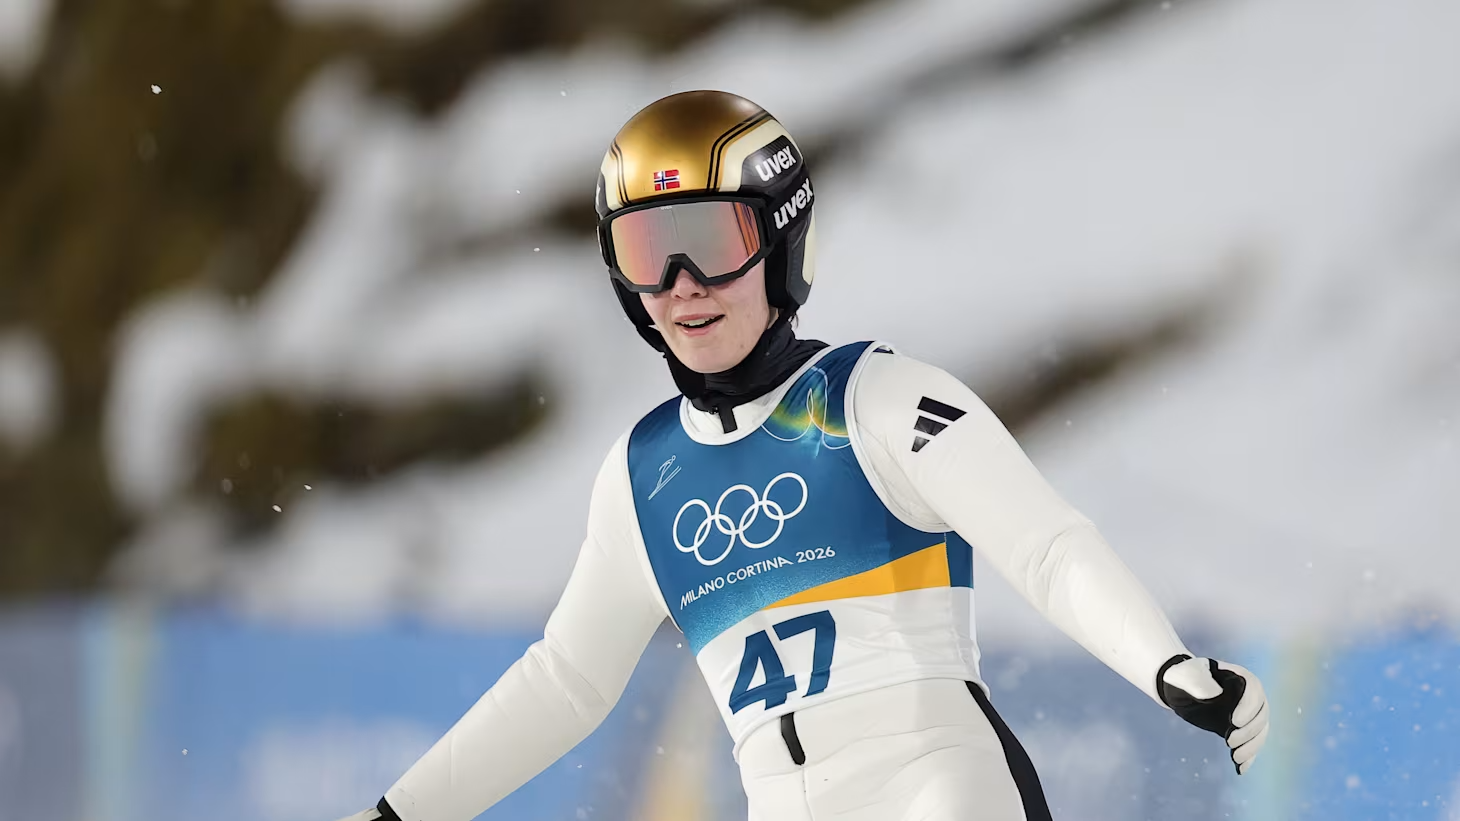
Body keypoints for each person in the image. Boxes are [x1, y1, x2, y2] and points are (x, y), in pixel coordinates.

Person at [336, 90, 1270, 821]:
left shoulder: (877, 397)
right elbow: (566, 680)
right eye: (646, 252)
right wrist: (400, 810)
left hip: (945, 794)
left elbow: (1045, 546)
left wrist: (1165, 663)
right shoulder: (641, 476)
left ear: (783, 242)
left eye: (712, 241)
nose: (681, 287)